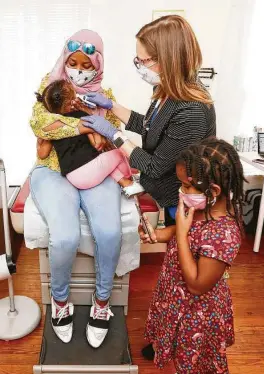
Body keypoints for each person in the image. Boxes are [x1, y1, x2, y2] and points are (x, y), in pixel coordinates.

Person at [71, 15, 216, 229]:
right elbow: (151, 126)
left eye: (144, 60)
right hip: (169, 191)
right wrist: (112, 105)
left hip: (187, 200)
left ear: (169, 59)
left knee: (183, 254)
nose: (139, 66)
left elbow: (155, 167)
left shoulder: (191, 110)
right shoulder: (166, 88)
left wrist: (114, 135)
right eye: (137, 59)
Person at [29, 29, 124, 348]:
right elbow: (40, 124)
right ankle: (59, 301)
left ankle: (102, 303)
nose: (79, 70)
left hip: (91, 168)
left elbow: (113, 132)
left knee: (110, 233)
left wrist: (101, 127)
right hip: (54, 170)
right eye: (73, 62)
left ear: (97, 65)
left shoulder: (104, 94)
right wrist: (85, 123)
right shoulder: (50, 84)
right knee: (66, 236)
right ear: (64, 60)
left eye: (86, 64)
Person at [139, 137, 245, 374]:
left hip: (197, 312)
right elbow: (179, 231)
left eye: (186, 186)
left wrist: (183, 231)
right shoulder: (202, 207)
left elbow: (197, 285)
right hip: (175, 297)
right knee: (181, 352)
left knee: (196, 360)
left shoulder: (224, 233)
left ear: (214, 190)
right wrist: (156, 234)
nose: (181, 191)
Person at [35, 79, 144, 197]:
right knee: (118, 153)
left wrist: (39, 139)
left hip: (73, 177)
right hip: (89, 172)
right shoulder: (81, 116)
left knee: (106, 164)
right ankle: (128, 180)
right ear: (70, 102)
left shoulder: (53, 127)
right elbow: (97, 144)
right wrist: (94, 123)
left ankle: (125, 183)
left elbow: (42, 154)